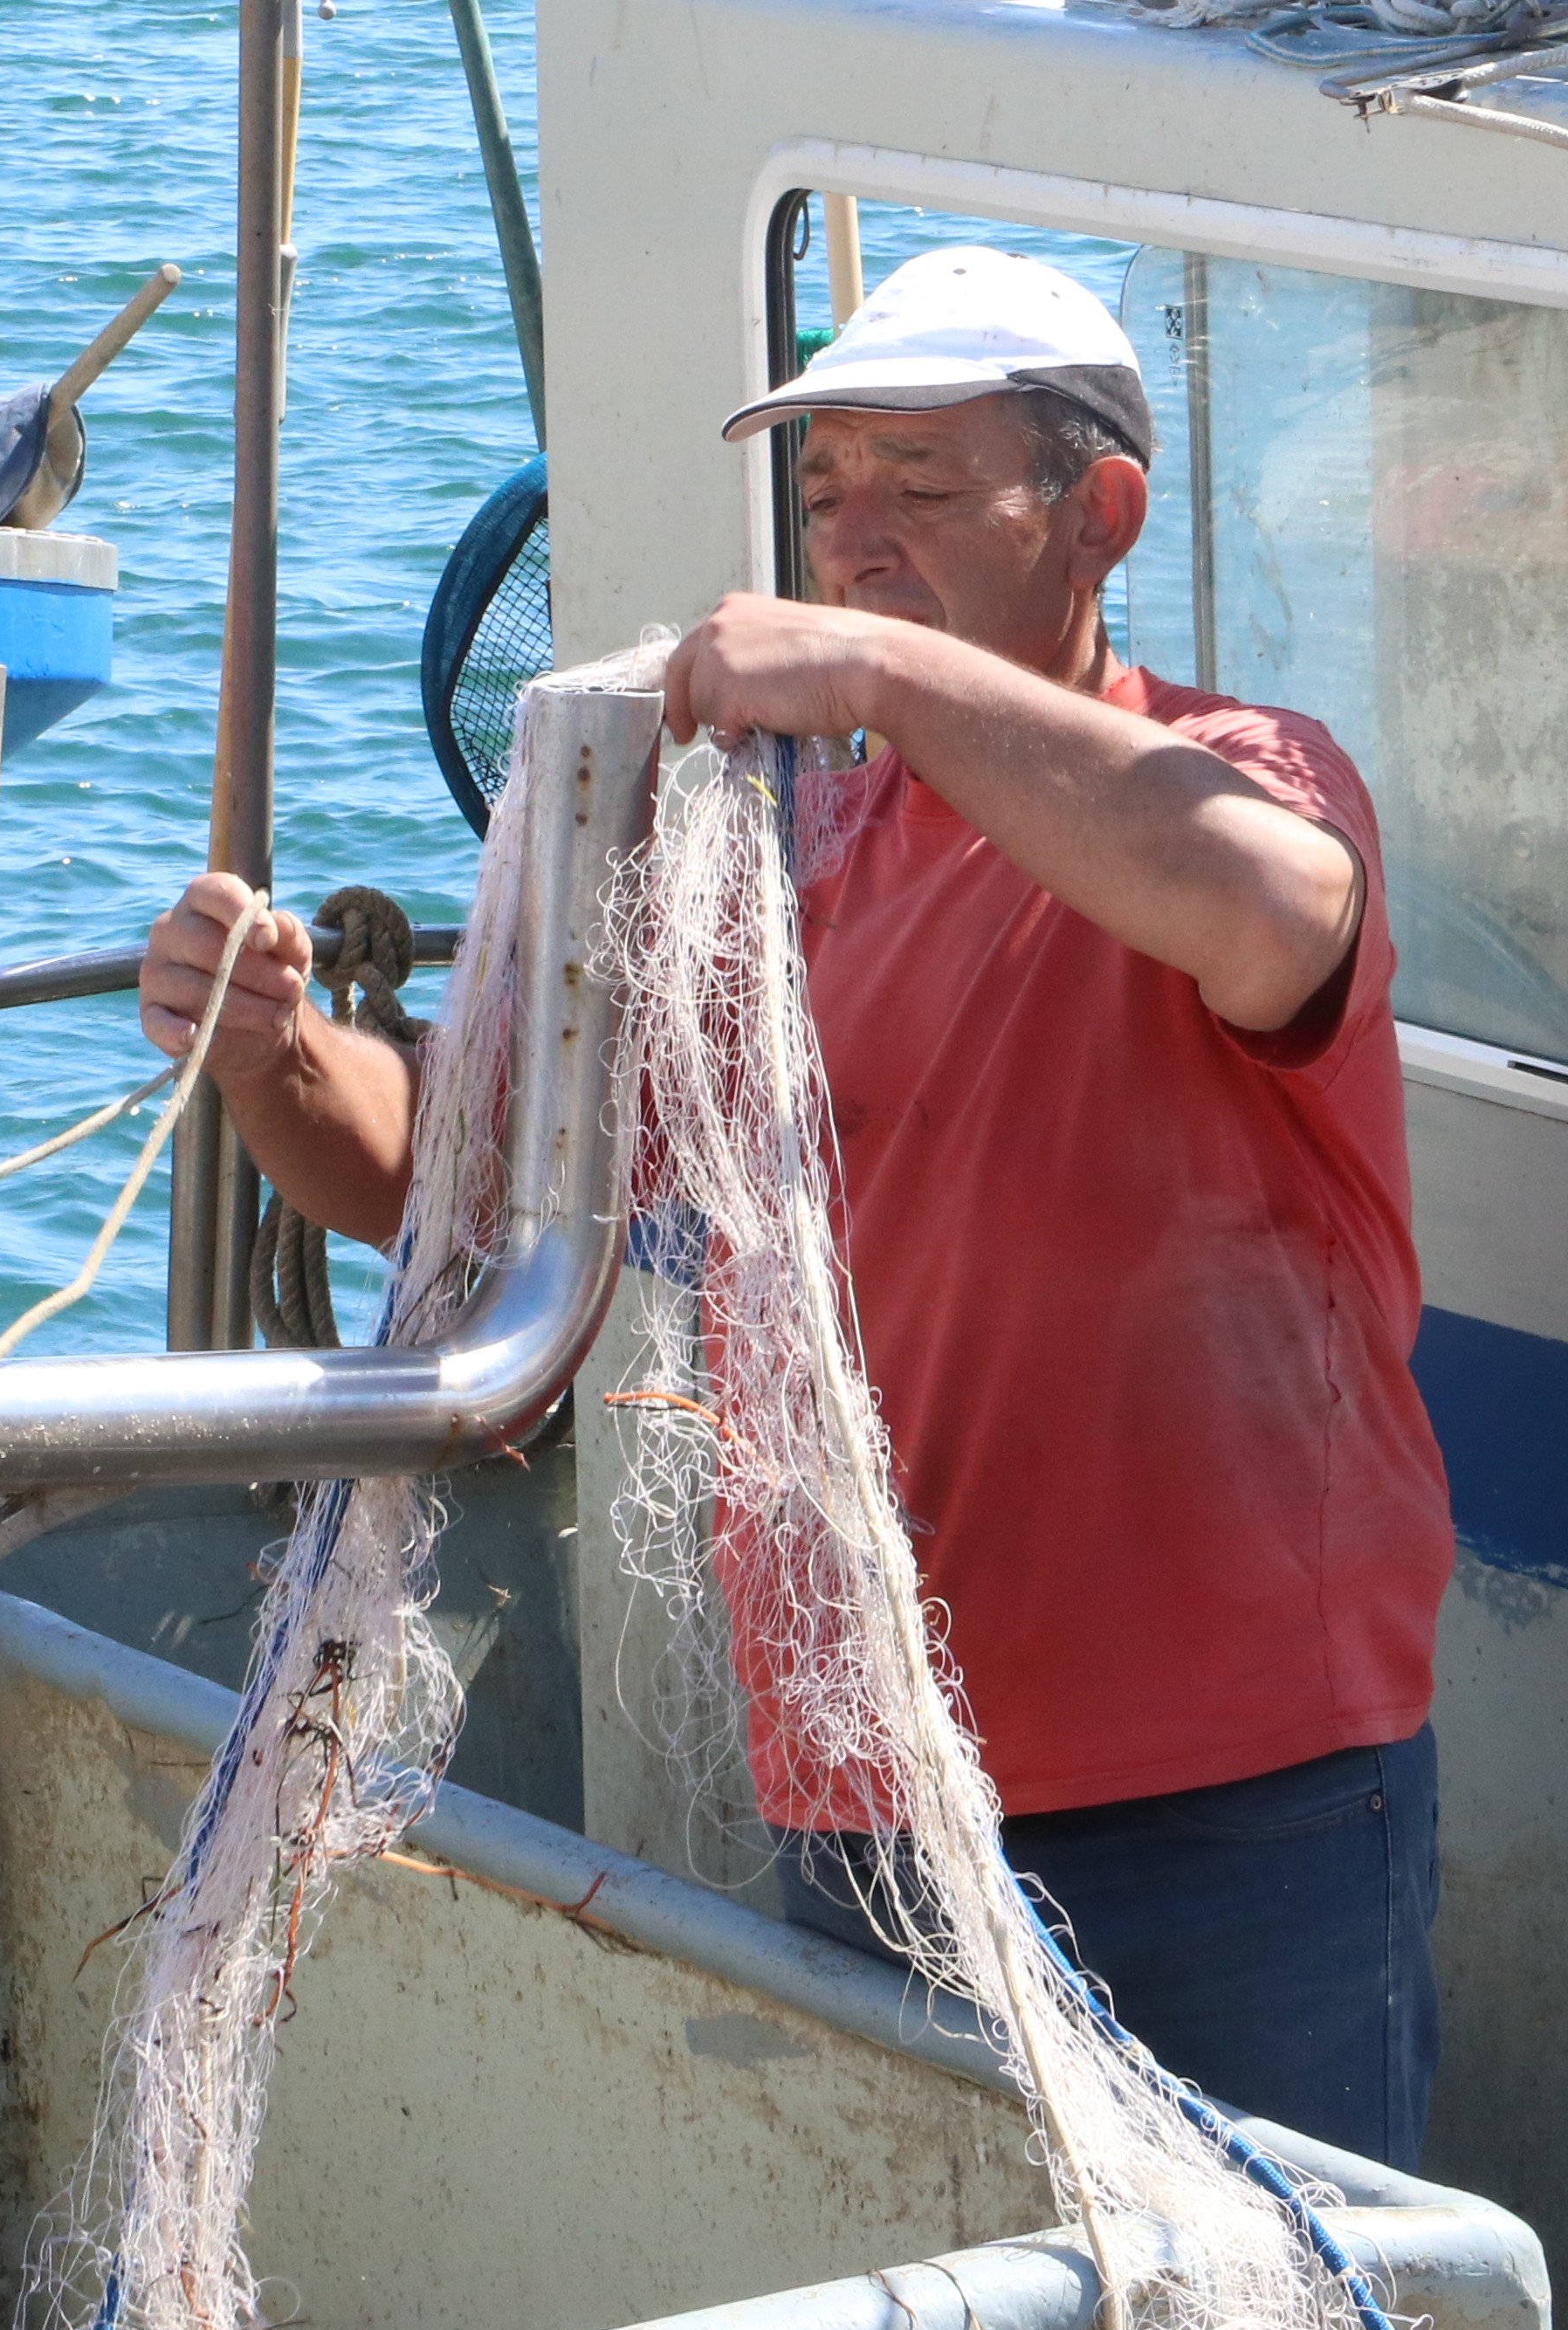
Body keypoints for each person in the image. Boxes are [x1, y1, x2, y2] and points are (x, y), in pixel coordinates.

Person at [137, 244, 1461, 2167]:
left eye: (922, 490)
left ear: (1100, 516)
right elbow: (454, 1173)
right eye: (829, 496)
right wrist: (265, 1048)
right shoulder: (788, 867)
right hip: (873, 1814)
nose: (857, 542)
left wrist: (871, 676)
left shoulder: (1245, 773)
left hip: (1239, 1797)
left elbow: (1266, 913)